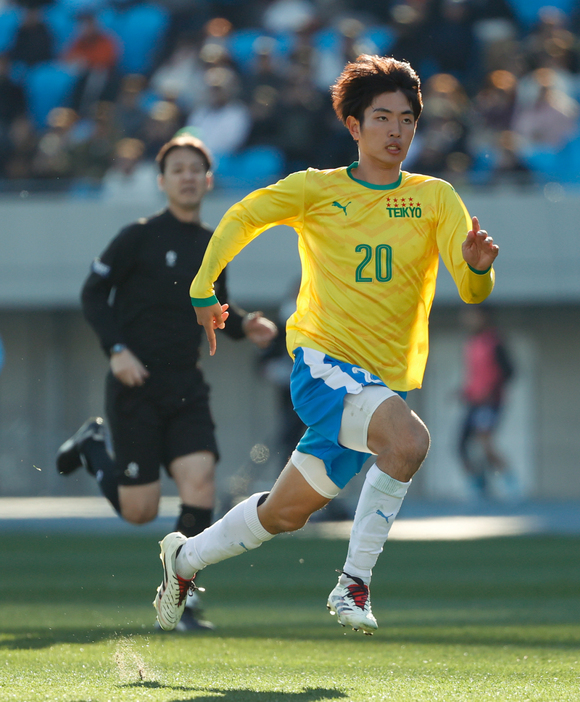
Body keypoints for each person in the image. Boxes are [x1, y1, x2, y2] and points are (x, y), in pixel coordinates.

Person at [152, 54, 500, 635]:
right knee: (411, 440)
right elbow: (242, 216)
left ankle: (183, 560)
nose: (397, 131)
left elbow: (469, 290)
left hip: (381, 385)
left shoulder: (436, 197)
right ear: (354, 126)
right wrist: (201, 284)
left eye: (408, 119)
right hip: (324, 366)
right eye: (384, 117)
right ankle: (353, 584)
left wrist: (479, 268)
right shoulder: (316, 190)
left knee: (284, 514)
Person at [56, 134, 277, 630]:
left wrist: (246, 325)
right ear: (162, 180)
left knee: (200, 484)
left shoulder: (211, 244)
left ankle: (181, 598)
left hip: (186, 385)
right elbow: (93, 294)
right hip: (135, 385)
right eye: (177, 169)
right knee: (140, 510)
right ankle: (94, 447)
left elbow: (214, 308)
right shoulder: (137, 236)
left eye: (196, 169)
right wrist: (116, 350)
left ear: (208, 180)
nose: (187, 176)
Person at [457, 306, 513, 498]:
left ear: (483, 317)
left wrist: (491, 391)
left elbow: (509, 371)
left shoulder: (495, 341)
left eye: (471, 316)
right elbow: (475, 376)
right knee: (460, 446)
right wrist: (465, 392)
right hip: (474, 402)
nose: (467, 319)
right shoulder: (472, 343)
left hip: (490, 402)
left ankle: (512, 485)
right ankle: (478, 487)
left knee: (486, 444)